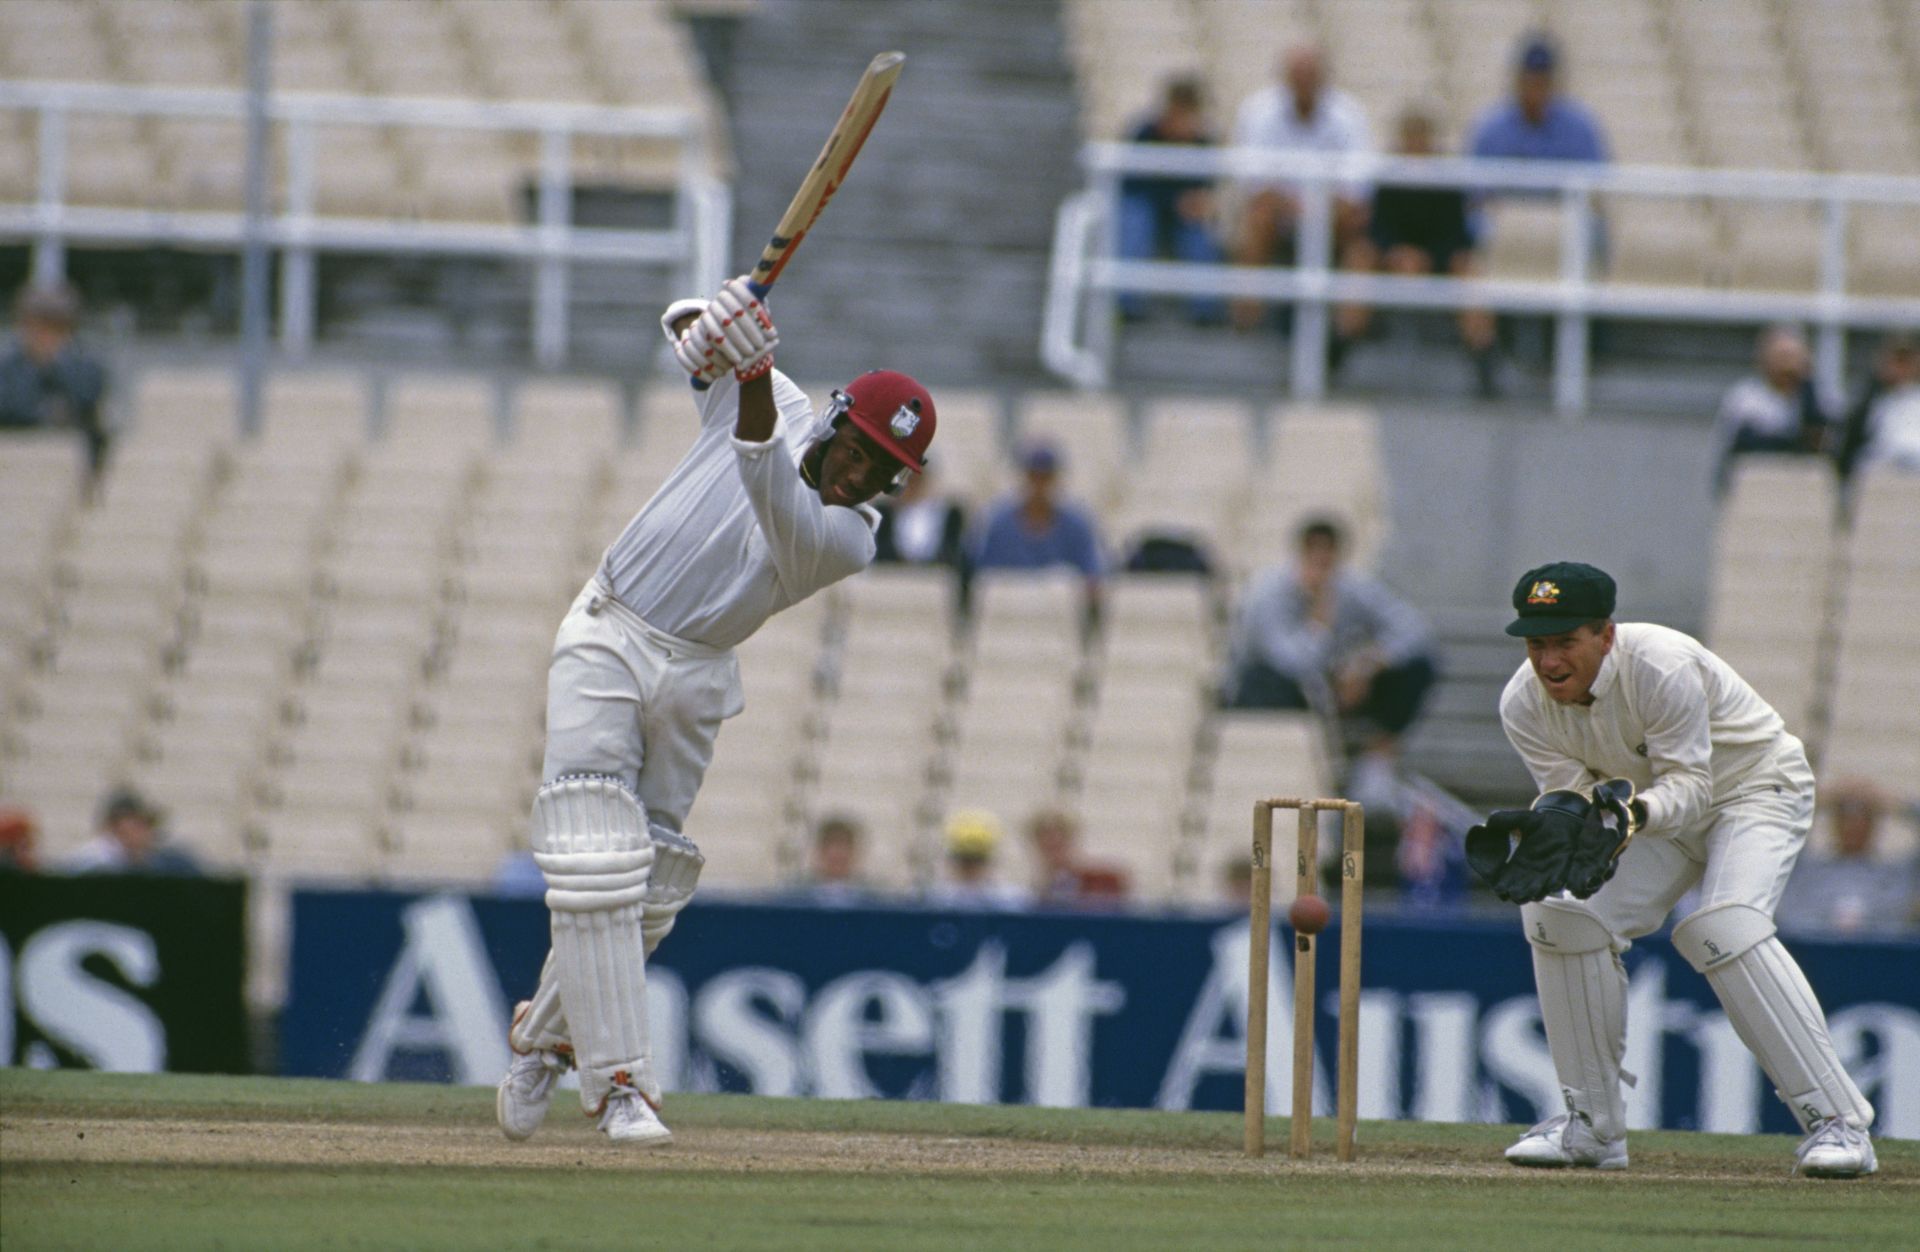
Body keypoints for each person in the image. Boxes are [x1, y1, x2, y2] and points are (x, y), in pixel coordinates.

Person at [495, 277, 938, 1148]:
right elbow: (684, 337)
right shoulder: (776, 393)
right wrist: (722, 322)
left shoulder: (850, 537)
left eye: (885, 468)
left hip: (698, 673)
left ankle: (543, 1039)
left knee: (648, 883)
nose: (863, 472)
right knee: (595, 851)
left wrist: (751, 368)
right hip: (610, 630)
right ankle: (622, 1082)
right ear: (840, 420)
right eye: (861, 450)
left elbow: (764, 473)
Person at [1474, 561, 1876, 1177]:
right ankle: (1592, 1129)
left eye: (1565, 642)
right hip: (1655, 815)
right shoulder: (1523, 706)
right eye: (1536, 644)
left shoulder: (1661, 665)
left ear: (1605, 635)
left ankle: (1840, 1124)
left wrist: (1627, 815)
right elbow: (1576, 802)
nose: (1549, 662)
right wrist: (1560, 826)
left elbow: (1691, 786)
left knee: (1723, 926)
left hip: (1753, 790)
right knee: (1560, 915)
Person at [1226, 518, 1437, 810]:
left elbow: (1416, 630)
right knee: (1270, 681)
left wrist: (1367, 664)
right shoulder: (1267, 593)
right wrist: (1320, 619)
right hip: (1273, 691)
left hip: (1338, 685)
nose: (1321, 570)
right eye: (1314, 558)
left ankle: (1376, 756)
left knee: (1418, 667)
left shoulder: (1352, 587)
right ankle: (1294, 765)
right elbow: (1293, 664)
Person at [1344, 105, 1500, 396]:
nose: (1416, 147)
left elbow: (1457, 234)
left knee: (1468, 268)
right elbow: (1376, 228)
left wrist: (1428, 257)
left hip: (1437, 260)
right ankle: (1341, 343)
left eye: (1422, 140)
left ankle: (1483, 356)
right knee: (1360, 256)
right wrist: (1397, 253)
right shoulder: (1388, 179)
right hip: (1393, 259)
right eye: (1410, 140)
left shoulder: (1446, 181)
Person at [1227, 42, 1376, 337]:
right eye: (1298, 74)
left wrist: (1319, 209)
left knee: (1362, 245)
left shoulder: (1349, 115)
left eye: (1310, 74)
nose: (1304, 82)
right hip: (1278, 215)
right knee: (1258, 219)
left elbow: (1357, 190)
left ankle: (1345, 335)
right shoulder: (1259, 112)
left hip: (1333, 217)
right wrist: (1299, 207)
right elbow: (1255, 185)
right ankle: (1245, 323)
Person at [1118, 76, 1227, 323]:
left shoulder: (1203, 143)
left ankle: (1206, 309)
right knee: (1135, 221)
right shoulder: (1143, 134)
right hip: (1146, 208)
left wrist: (1197, 203)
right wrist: (1176, 201)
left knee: (1199, 233)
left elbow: (1205, 189)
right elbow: (1132, 185)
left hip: (1182, 216)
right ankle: (1126, 302)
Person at [1777, 779, 1919, 938]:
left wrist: (1895, 804)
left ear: (1874, 825)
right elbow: (1780, 823)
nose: (1853, 826)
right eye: (1845, 817)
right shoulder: (1805, 872)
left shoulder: (1895, 876)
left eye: (1863, 817)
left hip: (1880, 958)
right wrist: (1822, 799)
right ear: (1834, 823)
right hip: (1808, 956)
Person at [0, 283, 111, 474]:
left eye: (54, 329)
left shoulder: (86, 368)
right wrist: (42, 411)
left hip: (69, 464)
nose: (44, 337)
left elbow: (87, 401)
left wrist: (54, 365)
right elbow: (9, 406)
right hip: (13, 461)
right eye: (37, 327)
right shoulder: (7, 369)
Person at [1711, 325, 1829, 492]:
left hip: (1802, 489)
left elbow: (1818, 443)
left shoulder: (1815, 397)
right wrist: (1792, 443)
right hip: (1755, 486)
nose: (1787, 366)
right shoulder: (1745, 397)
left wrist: (1806, 384)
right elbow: (1746, 445)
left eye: (1794, 357)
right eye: (1782, 356)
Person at [970, 441, 1105, 583]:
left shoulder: (1077, 525)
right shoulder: (999, 523)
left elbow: (1092, 573)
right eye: (1034, 476)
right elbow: (983, 575)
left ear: (1055, 479)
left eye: (1045, 477)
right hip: (1008, 603)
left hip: (1059, 603)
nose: (1039, 484)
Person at [1468, 35, 1609, 167]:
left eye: (1541, 84)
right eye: (1529, 83)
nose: (1535, 93)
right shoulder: (1492, 130)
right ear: (1518, 82)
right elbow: (1475, 187)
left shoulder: (1579, 129)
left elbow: (1597, 184)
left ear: (1553, 85)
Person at [1834, 332, 1920, 481]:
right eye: (1895, 361)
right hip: (1877, 480)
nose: (1900, 368)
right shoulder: (1869, 401)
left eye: (1905, 362)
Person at [63, 789, 200, 875]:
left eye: (145, 825)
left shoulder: (170, 861)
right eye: (135, 825)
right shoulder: (91, 864)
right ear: (111, 829)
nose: (142, 832)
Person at [925, 810, 1030, 911]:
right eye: (965, 860)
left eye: (977, 860)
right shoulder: (934, 900)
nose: (971, 867)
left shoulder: (1011, 900)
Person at [873, 465, 968, 573]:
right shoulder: (885, 514)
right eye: (908, 481)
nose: (911, 487)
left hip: (933, 577)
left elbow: (951, 555)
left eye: (916, 481)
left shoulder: (949, 515)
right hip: (892, 577)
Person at [1028, 808, 1128, 906]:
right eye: (1047, 848)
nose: (1053, 854)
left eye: (1058, 846)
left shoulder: (1103, 882)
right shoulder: (1038, 890)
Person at [789, 814, 882, 907]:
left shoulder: (877, 904)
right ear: (818, 852)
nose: (837, 854)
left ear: (855, 853)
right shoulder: (793, 901)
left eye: (844, 845)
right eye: (830, 845)